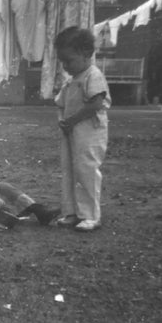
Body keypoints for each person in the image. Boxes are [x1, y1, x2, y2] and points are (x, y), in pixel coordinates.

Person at [54, 26, 111, 232]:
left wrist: (71, 120)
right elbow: (60, 103)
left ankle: (90, 215)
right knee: (69, 169)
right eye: (62, 61)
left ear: (86, 54)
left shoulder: (92, 75)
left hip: (89, 132)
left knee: (86, 169)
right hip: (72, 132)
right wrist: (63, 121)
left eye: (69, 60)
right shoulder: (72, 80)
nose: (65, 65)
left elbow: (95, 103)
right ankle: (71, 212)